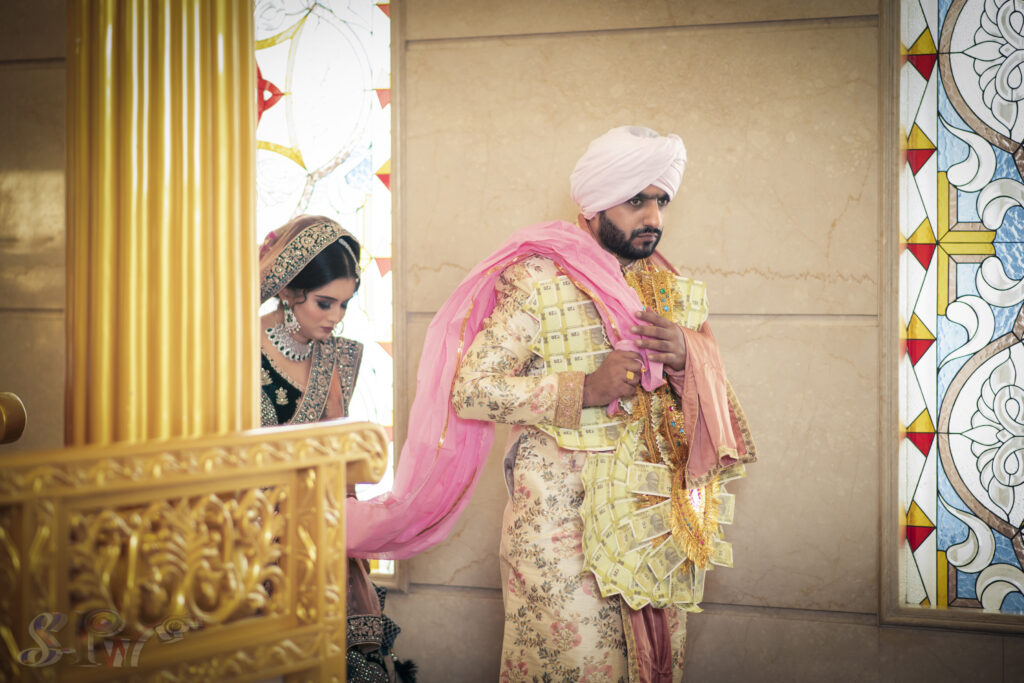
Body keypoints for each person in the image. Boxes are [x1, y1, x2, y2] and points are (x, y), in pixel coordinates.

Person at [346, 127, 756, 682]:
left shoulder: (668, 288)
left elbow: (708, 412)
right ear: (594, 205)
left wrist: (688, 356)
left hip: (654, 530)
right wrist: (583, 388)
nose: (653, 217)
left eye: (661, 201)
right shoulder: (538, 279)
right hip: (562, 540)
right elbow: (472, 389)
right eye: (636, 201)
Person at [258, 214, 414, 683]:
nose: (336, 317)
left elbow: (341, 462)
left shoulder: (337, 357)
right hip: (247, 535)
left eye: (344, 304)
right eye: (325, 303)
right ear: (289, 290)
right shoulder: (235, 349)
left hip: (316, 534)